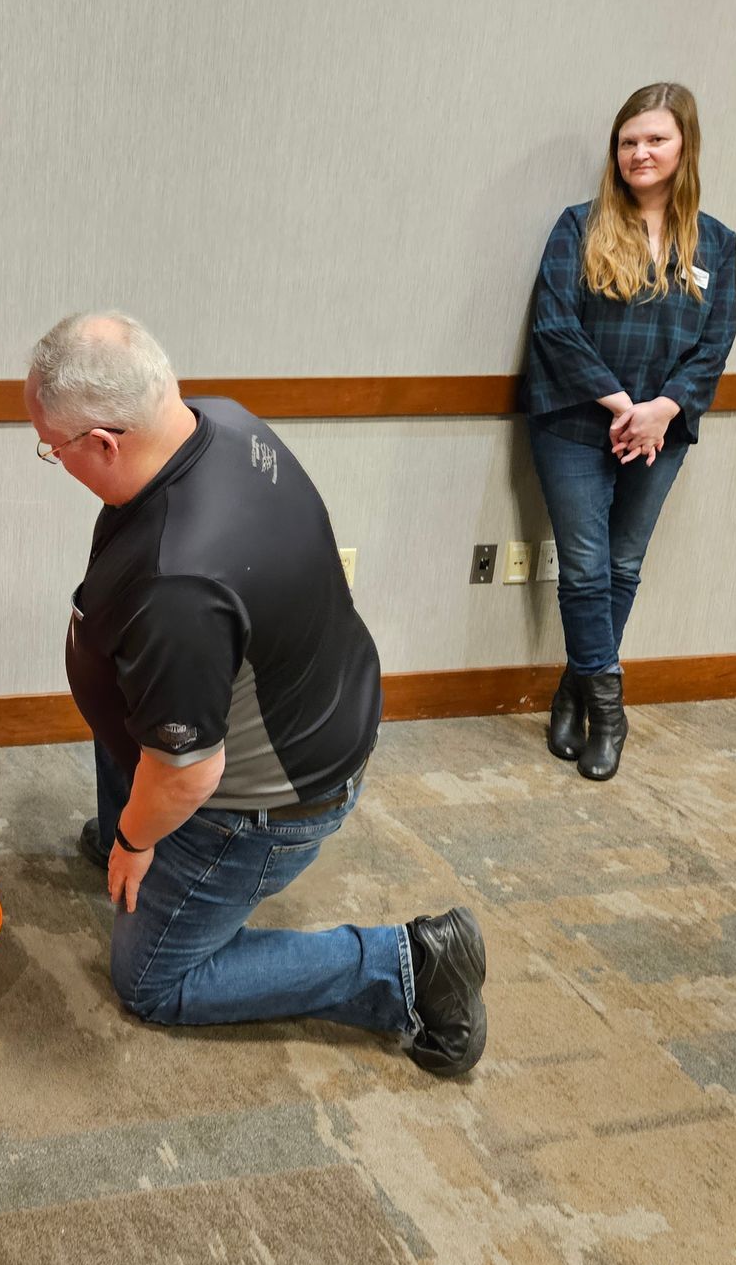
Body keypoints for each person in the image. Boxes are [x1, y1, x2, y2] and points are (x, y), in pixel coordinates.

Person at [25, 312, 486, 1075]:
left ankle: (409, 966)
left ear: (106, 443)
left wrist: (140, 837)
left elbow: (189, 772)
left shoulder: (180, 582)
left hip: (263, 801)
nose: (53, 458)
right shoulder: (220, 423)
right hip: (292, 701)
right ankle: (132, 835)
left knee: (153, 980)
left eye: (53, 448)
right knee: (146, 756)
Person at [520, 83, 736, 780]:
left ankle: (574, 693)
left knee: (621, 568)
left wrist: (661, 412)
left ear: (685, 147)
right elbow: (555, 326)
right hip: (575, 423)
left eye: (655, 140)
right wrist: (623, 407)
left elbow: (716, 343)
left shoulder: (718, 243)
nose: (640, 153)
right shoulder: (577, 226)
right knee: (584, 568)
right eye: (628, 142)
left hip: (662, 431)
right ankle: (611, 716)